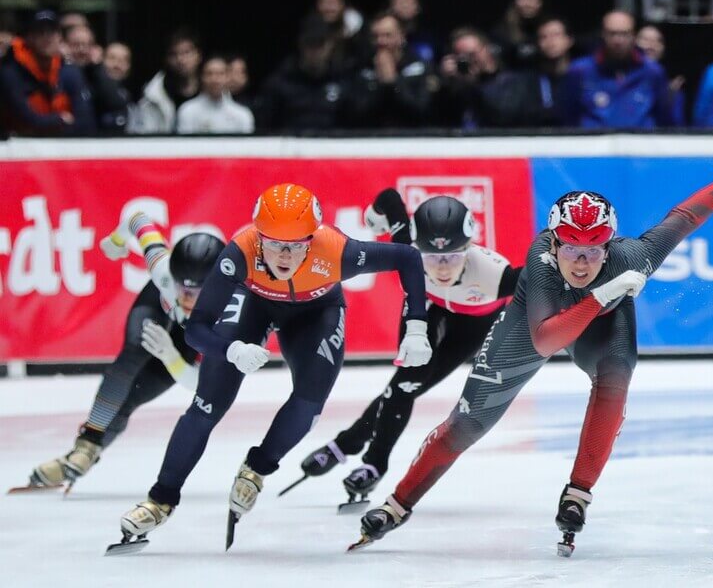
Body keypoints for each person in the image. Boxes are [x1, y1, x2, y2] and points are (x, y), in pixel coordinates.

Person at [351, 135, 713, 556]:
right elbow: (545, 338)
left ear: (609, 246)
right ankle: (398, 504)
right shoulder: (543, 264)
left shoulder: (633, 257)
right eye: (571, 247)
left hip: (601, 326)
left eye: (593, 251)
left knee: (615, 380)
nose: (581, 261)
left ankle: (578, 493)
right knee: (468, 425)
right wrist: (600, 296)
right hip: (536, 324)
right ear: (553, 243)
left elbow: (683, 218)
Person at [116, 184, 434, 549]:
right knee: (206, 405)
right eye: (274, 243)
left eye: (297, 245)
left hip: (317, 314)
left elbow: (408, 258)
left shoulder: (337, 251)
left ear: (312, 240)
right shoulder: (240, 252)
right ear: (258, 237)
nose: (285, 255)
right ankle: (161, 498)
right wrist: (232, 349)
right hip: (254, 305)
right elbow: (197, 329)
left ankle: (257, 468)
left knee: (311, 397)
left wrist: (417, 326)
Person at [298, 190, 521, 502]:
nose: (442, 269)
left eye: (453, 257)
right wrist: (374, 216)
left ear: (469, 249)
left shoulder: (497, 276)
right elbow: (390, 198)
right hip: (425, 309)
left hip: (473, 324)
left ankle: (347, 444)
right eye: (431, 258)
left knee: (409, 387)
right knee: (403, 386)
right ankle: (373, 464)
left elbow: (550, 280)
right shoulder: (407, 248)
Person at [24, 213, 225, 491]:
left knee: (132, 398)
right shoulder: (163, 271)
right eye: (182, 287)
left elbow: (202, 384)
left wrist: (172, 358)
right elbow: (139, 220)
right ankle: (86, 447)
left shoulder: (231, 314)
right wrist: (115, 241)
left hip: (188, 340)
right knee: (133, 353)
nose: (186, 298)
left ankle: (81, 455)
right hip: (157, 304)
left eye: (196, 291)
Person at [563, 11, 674, 129]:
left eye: (624, 34)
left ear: (634, 35)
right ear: (602, 34)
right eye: (612, 33)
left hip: (640, 144)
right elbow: (568, 117)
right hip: (594, 144)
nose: (618, 40)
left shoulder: (653, 72)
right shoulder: (579, 71)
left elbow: (664, 118)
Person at [0, 10, 95, 136]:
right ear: (29, 38)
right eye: (40, 32)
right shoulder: (11, 73)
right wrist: (60, 119)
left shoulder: (70, 72)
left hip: (64, 147)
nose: (47, 37)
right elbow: (27, 120)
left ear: (60, 37)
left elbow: (86, 122)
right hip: (21, 148)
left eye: (52, 31)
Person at [342, 12, 433, 128]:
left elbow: (422, 110)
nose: (381, 41)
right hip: (370, 136)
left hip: (410, 137)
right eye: (375, 36)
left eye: (387, 35)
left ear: (401, 36)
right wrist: (381, 85)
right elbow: (355, 113)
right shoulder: (361, 68)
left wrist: (393, 82)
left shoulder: (419, 67)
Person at [130, 29, 201, 134]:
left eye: (186, 52)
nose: (181, 60)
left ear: (198, 55)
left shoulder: (214, 93)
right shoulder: (151, 96)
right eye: (174, 54)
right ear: (167, 59)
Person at [63, 24, 130, 133]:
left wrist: (98, 66)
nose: (82, 50)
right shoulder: (58, 70)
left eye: (86, 45)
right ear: (65, 46)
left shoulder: (96, 75)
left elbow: (116, 103)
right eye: (76, 45)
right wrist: (67, 63)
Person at [176, 55, 254, 134]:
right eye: (209, 74)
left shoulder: (242, 115)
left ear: (228, 77)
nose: (215, 80)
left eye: (220, 74)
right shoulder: (187, 111)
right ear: (201, 77)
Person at [492, 0, 544, 70]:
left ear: (541, 2)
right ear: (514, 0)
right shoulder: (501, 33)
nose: (528, 3)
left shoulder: (548, 30)